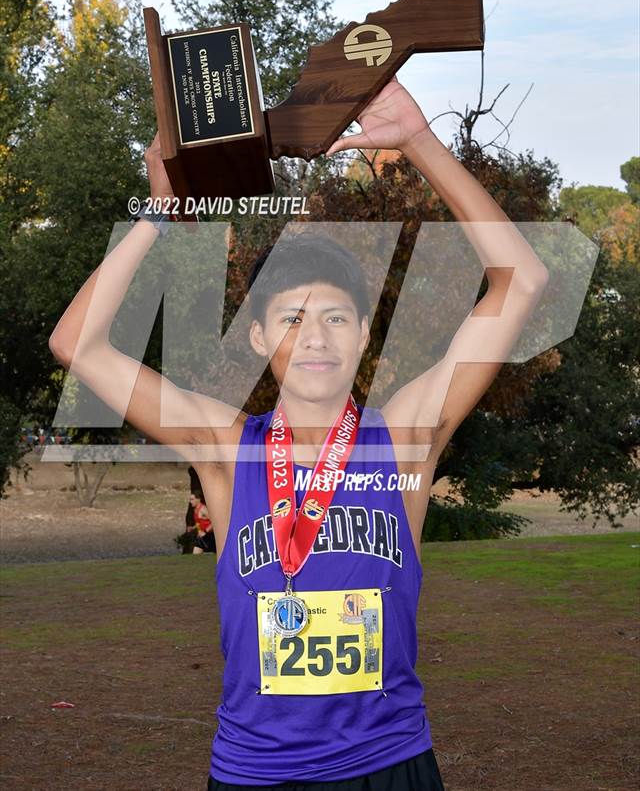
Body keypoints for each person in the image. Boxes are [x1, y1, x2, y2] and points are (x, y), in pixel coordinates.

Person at [48, 77, 548, 790]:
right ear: (258, 336)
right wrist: (157, 213)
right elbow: (76, 343)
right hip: (256, 771)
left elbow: (521, 280)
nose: (314, 337)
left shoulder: (404, 437)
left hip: (388, 764)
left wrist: (418, 141)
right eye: (291, 318)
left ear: (364, 333)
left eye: (335, 318)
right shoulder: (227, 451)